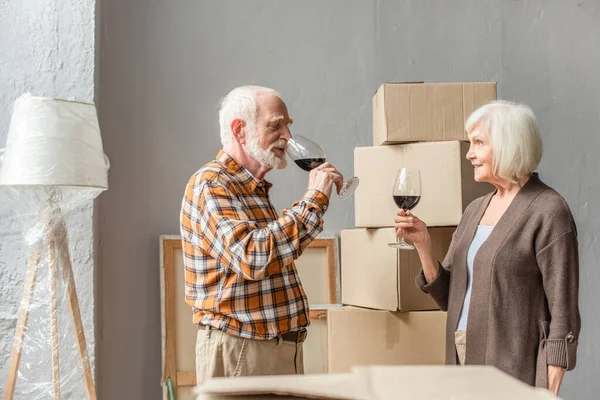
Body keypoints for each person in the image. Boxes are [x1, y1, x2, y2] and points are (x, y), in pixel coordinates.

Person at [394, 100, 580, 395]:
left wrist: (551, 381)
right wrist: (423, 246)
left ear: (509, 145)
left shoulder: (548, 210)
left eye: (479, 143)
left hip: (514, 365)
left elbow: (563, 308)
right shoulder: (475, 209)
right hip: (462, 353)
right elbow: (448, 297)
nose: (469, 154)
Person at [180, 85, 343, 385]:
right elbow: (253, 257)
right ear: (239, 130)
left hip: (274, 351)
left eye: (288, 126)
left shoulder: (252, 190)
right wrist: (313, 200)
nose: (288, 137)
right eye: (276, 125)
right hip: (242, 352)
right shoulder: (212, 184)